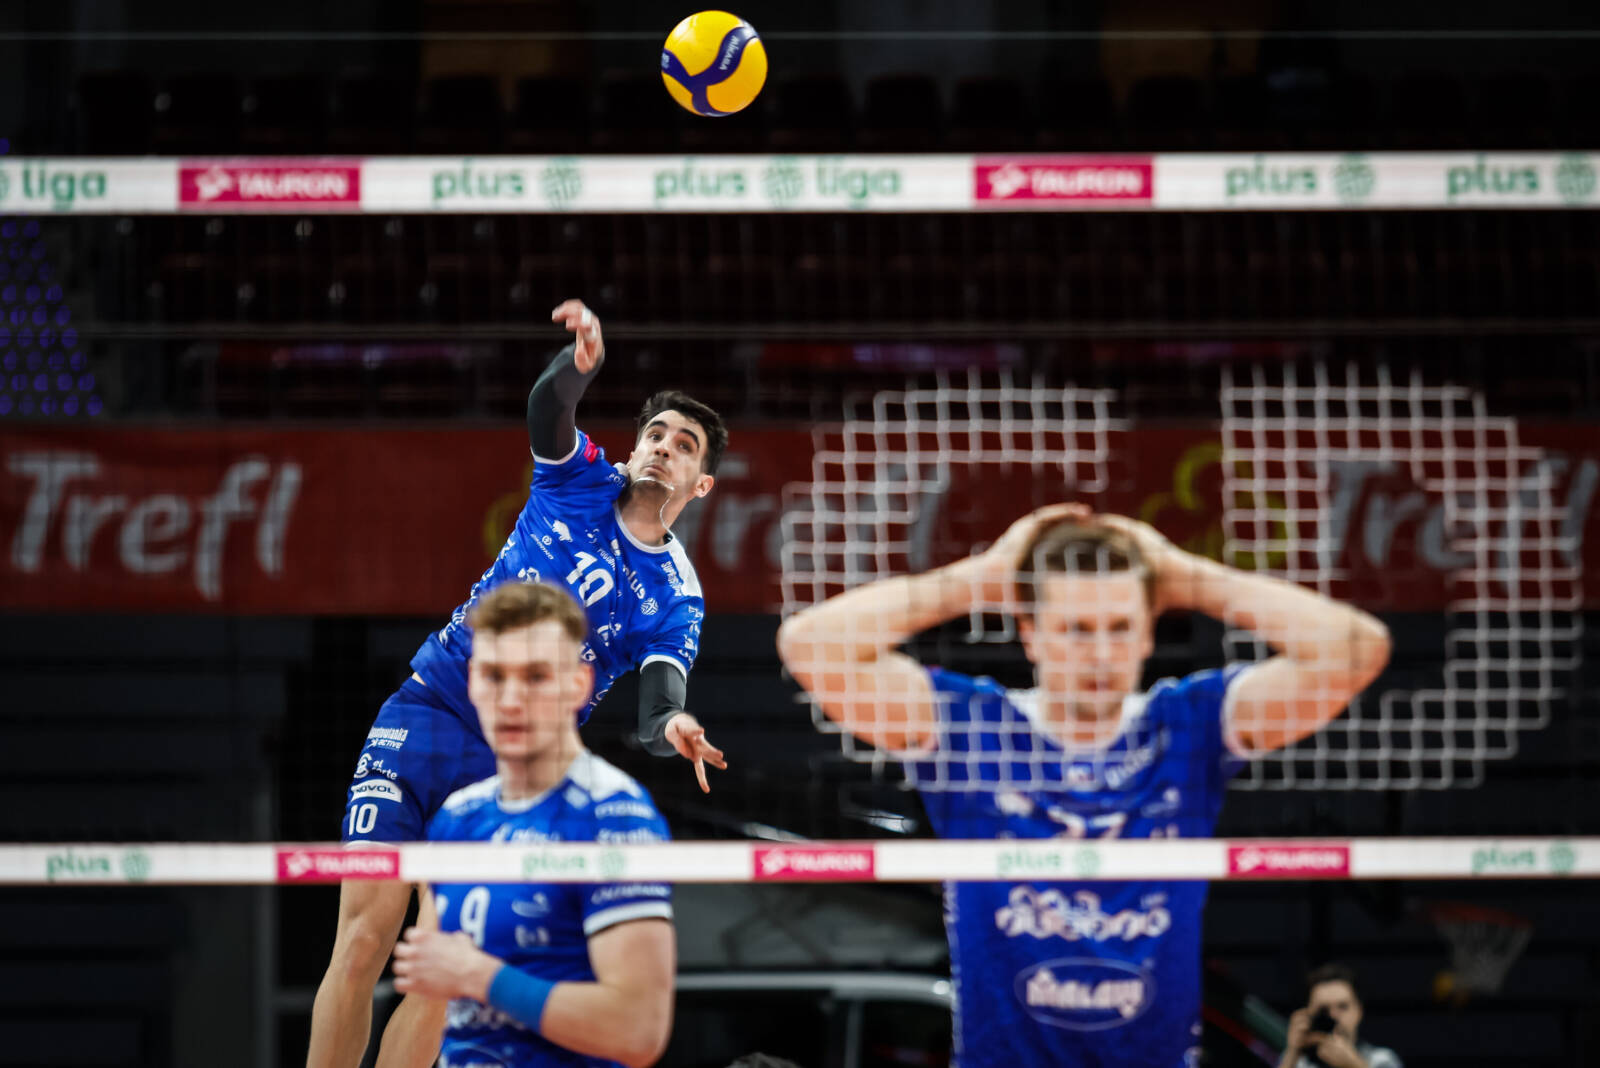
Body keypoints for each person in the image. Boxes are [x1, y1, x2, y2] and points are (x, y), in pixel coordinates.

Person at [776, 503, 1392, 1067]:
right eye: (1076, 629)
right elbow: (808, 645)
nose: (1100, 654)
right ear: (1030, 633)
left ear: (1149, 632)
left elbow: (1357, 650)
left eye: (1120, 627)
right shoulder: (970, 729)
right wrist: (979, 578)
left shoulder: (1189, 725)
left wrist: (1188, 577)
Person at [309, 300, 723, 1067]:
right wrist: (578, 365)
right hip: (426, 714)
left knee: (436, 975)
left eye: (684, 445)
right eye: (657, 434)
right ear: (637, 446)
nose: (664, 448)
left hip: (507, 767)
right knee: (362, 941)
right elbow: (546, 410)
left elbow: (659, 702)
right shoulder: (582, 479)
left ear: (699, 485)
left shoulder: (676, 596)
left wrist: (673, 726)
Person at [390, 580, 676, 1068]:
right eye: (494, 676)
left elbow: (639, 1030)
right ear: (471, 682)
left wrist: (481, 977)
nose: (511, 699)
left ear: (579, 684)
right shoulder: (457, 819)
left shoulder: (614, 815)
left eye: (536, 676)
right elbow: (441, 1008)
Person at [1280, 963, 1402, 1068]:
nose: (1333, 1015)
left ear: (1359, 1010)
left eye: (1343, 1007)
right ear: (1308, 1014)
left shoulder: (1381, 1059)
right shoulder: (1299, 1063)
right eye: (1323, 1010)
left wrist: (1354, 1065)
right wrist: (1292, 1053)